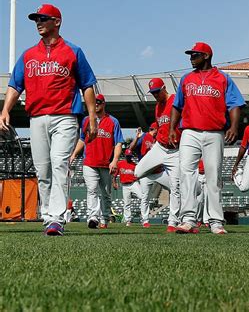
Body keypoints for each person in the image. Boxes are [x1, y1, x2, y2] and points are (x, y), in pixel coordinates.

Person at [0, 4, 97, 236]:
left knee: (59, 164)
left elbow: (88, 85)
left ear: (57, 22)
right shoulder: (28, 55)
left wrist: (92, 116)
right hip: (37, 117)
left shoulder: (73, 51)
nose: (38, 22)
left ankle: (57, 218)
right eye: (36, 19)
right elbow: (15, 85)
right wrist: (5, 110)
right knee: (43, 170)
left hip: (65, 116)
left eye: (44, 18)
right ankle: (47, 216)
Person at [170, 42, 245, 235]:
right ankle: (188, 219)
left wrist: (235, 126)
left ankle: (215, 221)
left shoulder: (222, 78)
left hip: (214, 132)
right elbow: (177, 106)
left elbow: (235, 104)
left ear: (206, 56)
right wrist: (172, 128)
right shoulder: (186, 78)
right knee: (186, 173)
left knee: (213, 176)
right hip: (189, 131)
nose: (191, 58)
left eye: (194, 55)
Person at [134, 78, 181, 233]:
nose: (155, 95)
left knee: (176, 187)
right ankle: (155, 175)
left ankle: (172, 222)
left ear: (164, 88)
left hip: (175, 151)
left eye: (156, 92)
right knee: (137, 172)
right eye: (152, 93)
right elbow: (161, 126)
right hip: (159, 147)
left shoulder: (175, 99)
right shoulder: (157, 108)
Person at [70, 93, 123, 229]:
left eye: (99, 102)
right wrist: (74, 154)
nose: (97, 104)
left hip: (105, 163)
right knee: (92, 190)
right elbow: (82, 139)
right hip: (89, 162)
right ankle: (93, 217)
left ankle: (104, 219)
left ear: (104, 104)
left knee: (106, 193)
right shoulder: (87, 120)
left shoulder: (113, 121)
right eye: (95, 102)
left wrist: (115, 160)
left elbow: (118, 143)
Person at [114, 148, 142, 226]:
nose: (129, 157)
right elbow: (115, 175)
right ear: (125, 156)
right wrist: (114, 182)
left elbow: (139, 175)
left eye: (130, 156)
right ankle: (128, 220)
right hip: (125, 185)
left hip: (134, 183)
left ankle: (144, 218)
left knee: (142, 198)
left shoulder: (135, 165)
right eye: (128, 156)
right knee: (127, 203)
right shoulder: (120, 163)